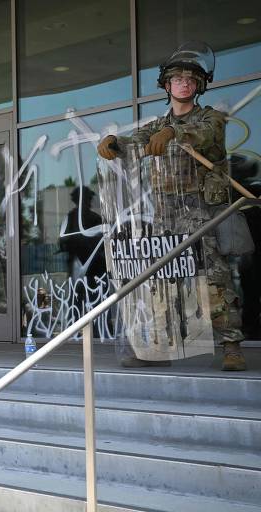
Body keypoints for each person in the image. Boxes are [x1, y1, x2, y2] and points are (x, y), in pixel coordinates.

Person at [97, 41, 246, 371]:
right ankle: (159, 347)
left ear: (199, 86)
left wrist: (172, 133)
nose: (184, 84)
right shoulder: (156, 126)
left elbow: (203, 135)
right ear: (167, 86)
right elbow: (135, 142)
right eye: (177, 79)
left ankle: (232, 346)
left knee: (213, 279)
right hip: (167, 214)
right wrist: (114, 144)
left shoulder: (210, 118)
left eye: (191, 80)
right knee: (163, 281)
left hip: (202, 212)